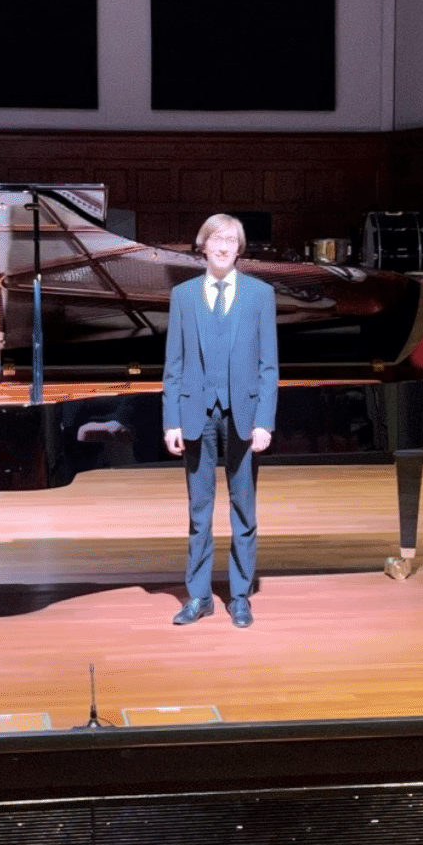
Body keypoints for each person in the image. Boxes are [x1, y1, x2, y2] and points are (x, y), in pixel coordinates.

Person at [161, 212, 278, 628]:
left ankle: (240, 595)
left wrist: (265, 421)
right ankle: (198, 596)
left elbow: (269, 367)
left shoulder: (260, 295)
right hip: (196, 415)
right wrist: (170, 420)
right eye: (217, 239)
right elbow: (173, 365)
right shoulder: (184, 296)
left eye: (232, 239)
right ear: (204, 245)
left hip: (244, 416)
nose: (224, 246)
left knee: (244, 508)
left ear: (239, 247)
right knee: (199, 510)